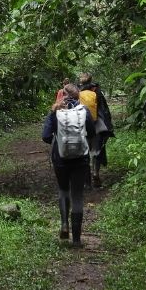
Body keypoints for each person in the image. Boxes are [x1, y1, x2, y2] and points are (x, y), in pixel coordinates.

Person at [42, 83, 93, 247]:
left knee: (63, 190)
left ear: (61, 96)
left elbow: (45, 136)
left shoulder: (55, 112)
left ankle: (64, 225)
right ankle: (77, 240)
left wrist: (57, 141)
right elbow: (91, 133)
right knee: (77, 195)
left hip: (61, 160)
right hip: (81, 159)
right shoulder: (84, 111)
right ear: (78, 96)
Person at [78, 72, 114, 188]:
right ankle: (95, 173)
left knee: (84, 151)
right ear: (91, 80)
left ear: (81, 80)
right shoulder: (97, 90)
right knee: (97, 149)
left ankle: (85, 179)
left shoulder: (77, 91)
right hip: (97, 124)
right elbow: (104, 108)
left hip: (82, 125)